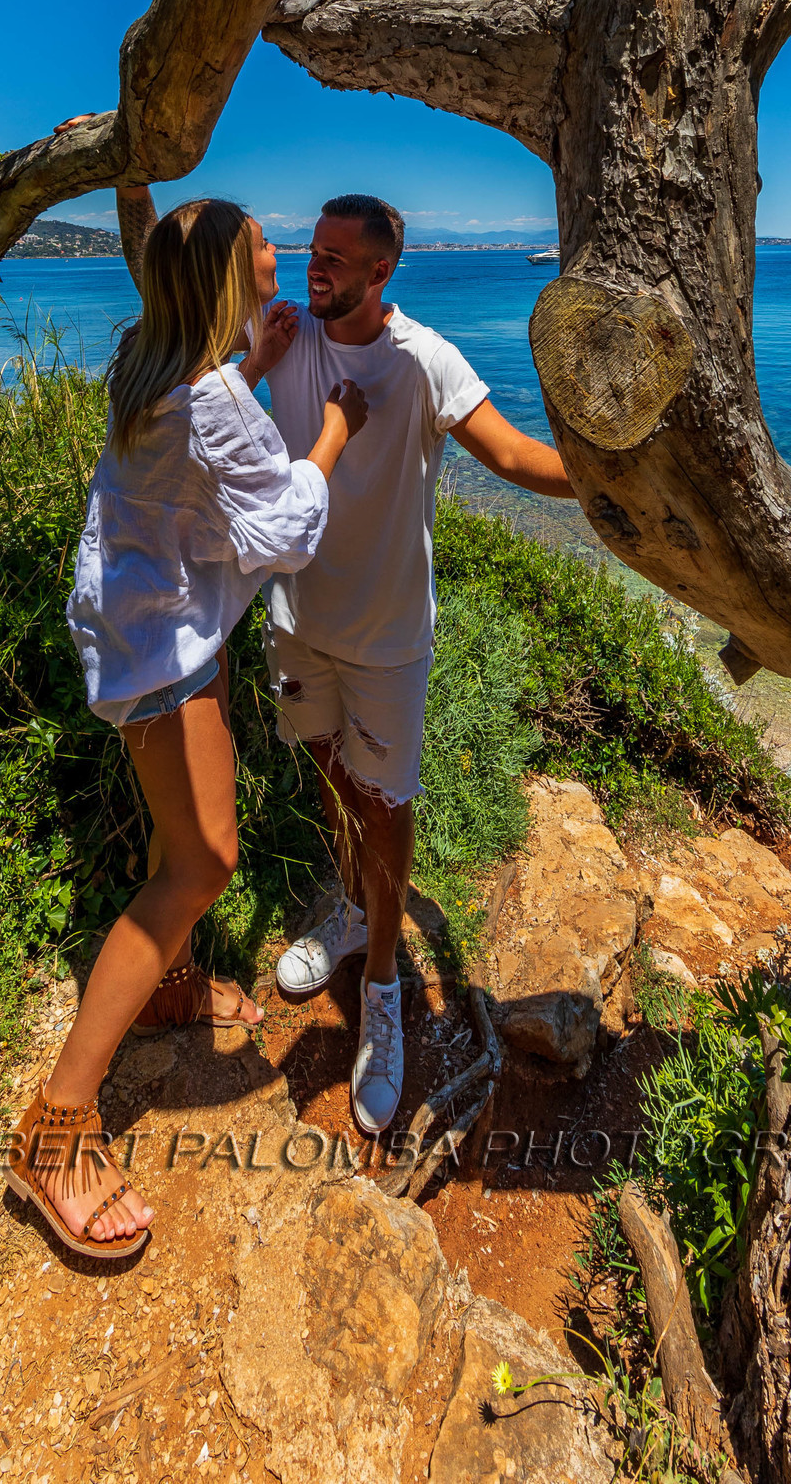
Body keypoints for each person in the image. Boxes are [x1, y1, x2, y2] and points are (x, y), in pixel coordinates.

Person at [4, 195, 367, 1261]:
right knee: (207, 856)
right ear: (225, 273)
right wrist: (337, 422)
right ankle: (59, 1125)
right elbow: (287, 523)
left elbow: (194, 444)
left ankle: (164, 987)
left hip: (142, 619)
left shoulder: (150, 354)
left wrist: (255, 364)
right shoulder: (208, 391)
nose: (279, 249)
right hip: (158, 643)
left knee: (179, 829)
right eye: (262, 241)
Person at [257, 193, 576, 1137]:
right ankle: (354, 911)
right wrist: (134, 178)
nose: (316, 267)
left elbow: (514, 454)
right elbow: (168, 269)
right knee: (328, 772)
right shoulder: (287, 332)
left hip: (390, 638)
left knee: (386, 805)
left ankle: (387, 987)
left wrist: (614, 489)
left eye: (337, 257)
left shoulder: (425, 359)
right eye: (313, 249)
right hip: (298, 618)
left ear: (382, 272)